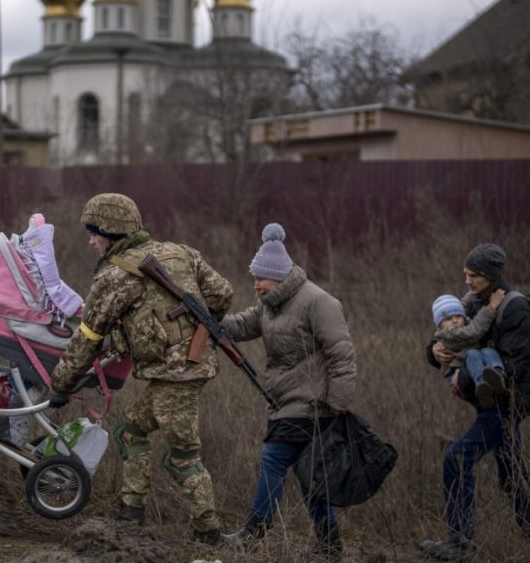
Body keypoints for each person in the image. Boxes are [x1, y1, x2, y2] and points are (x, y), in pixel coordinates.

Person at [49, 193, 233, 546]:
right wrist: (192, 327)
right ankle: (130, 517)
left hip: (175, 376)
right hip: (185, 368)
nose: (90, 241)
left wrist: (60, 385)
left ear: (113, 232)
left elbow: (87, 338)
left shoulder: (115, 276)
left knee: (182, 456)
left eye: (94, 232)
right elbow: (223, 295)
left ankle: (208, 535)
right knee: (130, 432)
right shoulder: (183, 253)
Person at [218, 223, 357, 559]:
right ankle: (329, 542)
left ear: (278, 278)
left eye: (260, 279)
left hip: (313, 403)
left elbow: (342, 354)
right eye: (254, 278)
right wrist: (207, 320)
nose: (255, 285)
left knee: (273, 458)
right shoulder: (270, 305)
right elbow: (240, 326)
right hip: (285, 401)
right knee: (309, 475)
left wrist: (338, 403)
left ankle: (255, 531)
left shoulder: (318, 302)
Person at [420, 243, 530, 561]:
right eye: (465, 274)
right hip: (491, 405)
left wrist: (462, 379)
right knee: (513, 477)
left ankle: (459, 543)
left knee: (456, 459)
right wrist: (435, 352)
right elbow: (452, 333)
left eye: (472, 275)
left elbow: (517, 368)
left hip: (505, 407)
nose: (466, 281)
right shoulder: (477, 303)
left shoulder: (516, 309)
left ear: (490, 276)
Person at [432, 291, 507, 408]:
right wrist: (491, 307)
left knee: (488, 351)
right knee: (472, 353)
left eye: (458, 316)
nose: (455, 320)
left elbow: (463, 305)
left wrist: (474, 290)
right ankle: (482, 385)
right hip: (455, 371)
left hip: (471, 363)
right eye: (448, 319)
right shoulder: (449, 333)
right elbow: (474, 331)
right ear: (440, 325)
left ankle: (498, 376)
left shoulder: (462, 322)